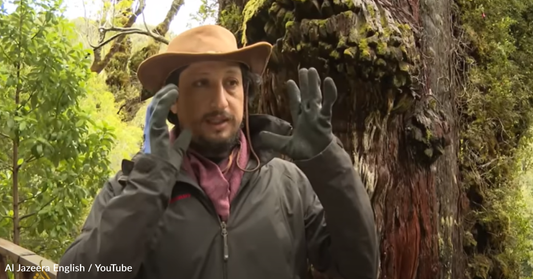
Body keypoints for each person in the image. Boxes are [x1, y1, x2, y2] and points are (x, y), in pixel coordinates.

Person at [57, 24, 378, 279]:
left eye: (231, 83)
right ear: (173, 102)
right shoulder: (128, 189)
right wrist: (149, 187)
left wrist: (327, 161)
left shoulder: (288, 184)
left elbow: (360, 269)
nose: (221, 101)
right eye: (201, 84)